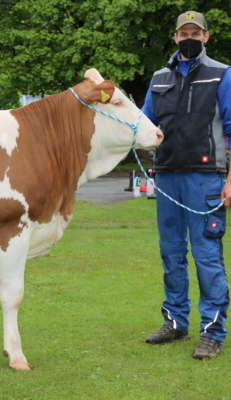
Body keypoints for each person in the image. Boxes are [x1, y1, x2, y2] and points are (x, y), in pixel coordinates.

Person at [141, 10, 231, 359]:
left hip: (206, 178)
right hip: (166, 178)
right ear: (175, 37)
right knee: (172, 253)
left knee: (207, 256)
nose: (189, 38)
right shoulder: (159, 78)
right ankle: (175, 322)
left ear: (206, 37)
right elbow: (145, 125)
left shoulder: (222, 74)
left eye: (196, 32)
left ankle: (213, 330)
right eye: (183, 33)